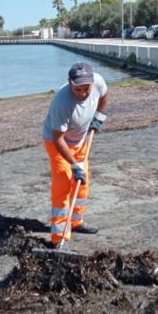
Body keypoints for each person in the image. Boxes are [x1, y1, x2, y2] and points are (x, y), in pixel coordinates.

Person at [40, 62, 108, 247]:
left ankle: (76, 221)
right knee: (63, 184)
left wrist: (99, 117)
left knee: (82, 183)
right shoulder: (62, 103)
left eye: (87, 88)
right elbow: (57, 139)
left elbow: (103, 96)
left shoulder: (98, 82)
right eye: (78, 89)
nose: (83, 93)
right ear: (70, 83)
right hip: (58, 144)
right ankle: (60, 238)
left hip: (80, 141)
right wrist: (73, 163)